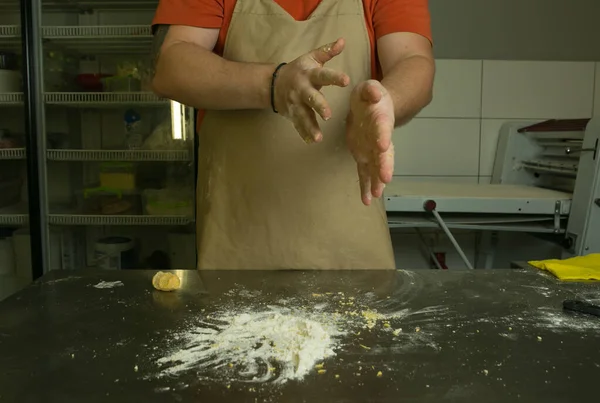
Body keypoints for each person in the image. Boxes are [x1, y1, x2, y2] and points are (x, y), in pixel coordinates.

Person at [151, 0, 434, 270]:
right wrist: (273, 85)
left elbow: (413, 59)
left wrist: (387, 101)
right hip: (237, 248)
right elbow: (172, 66)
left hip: (351, 251)